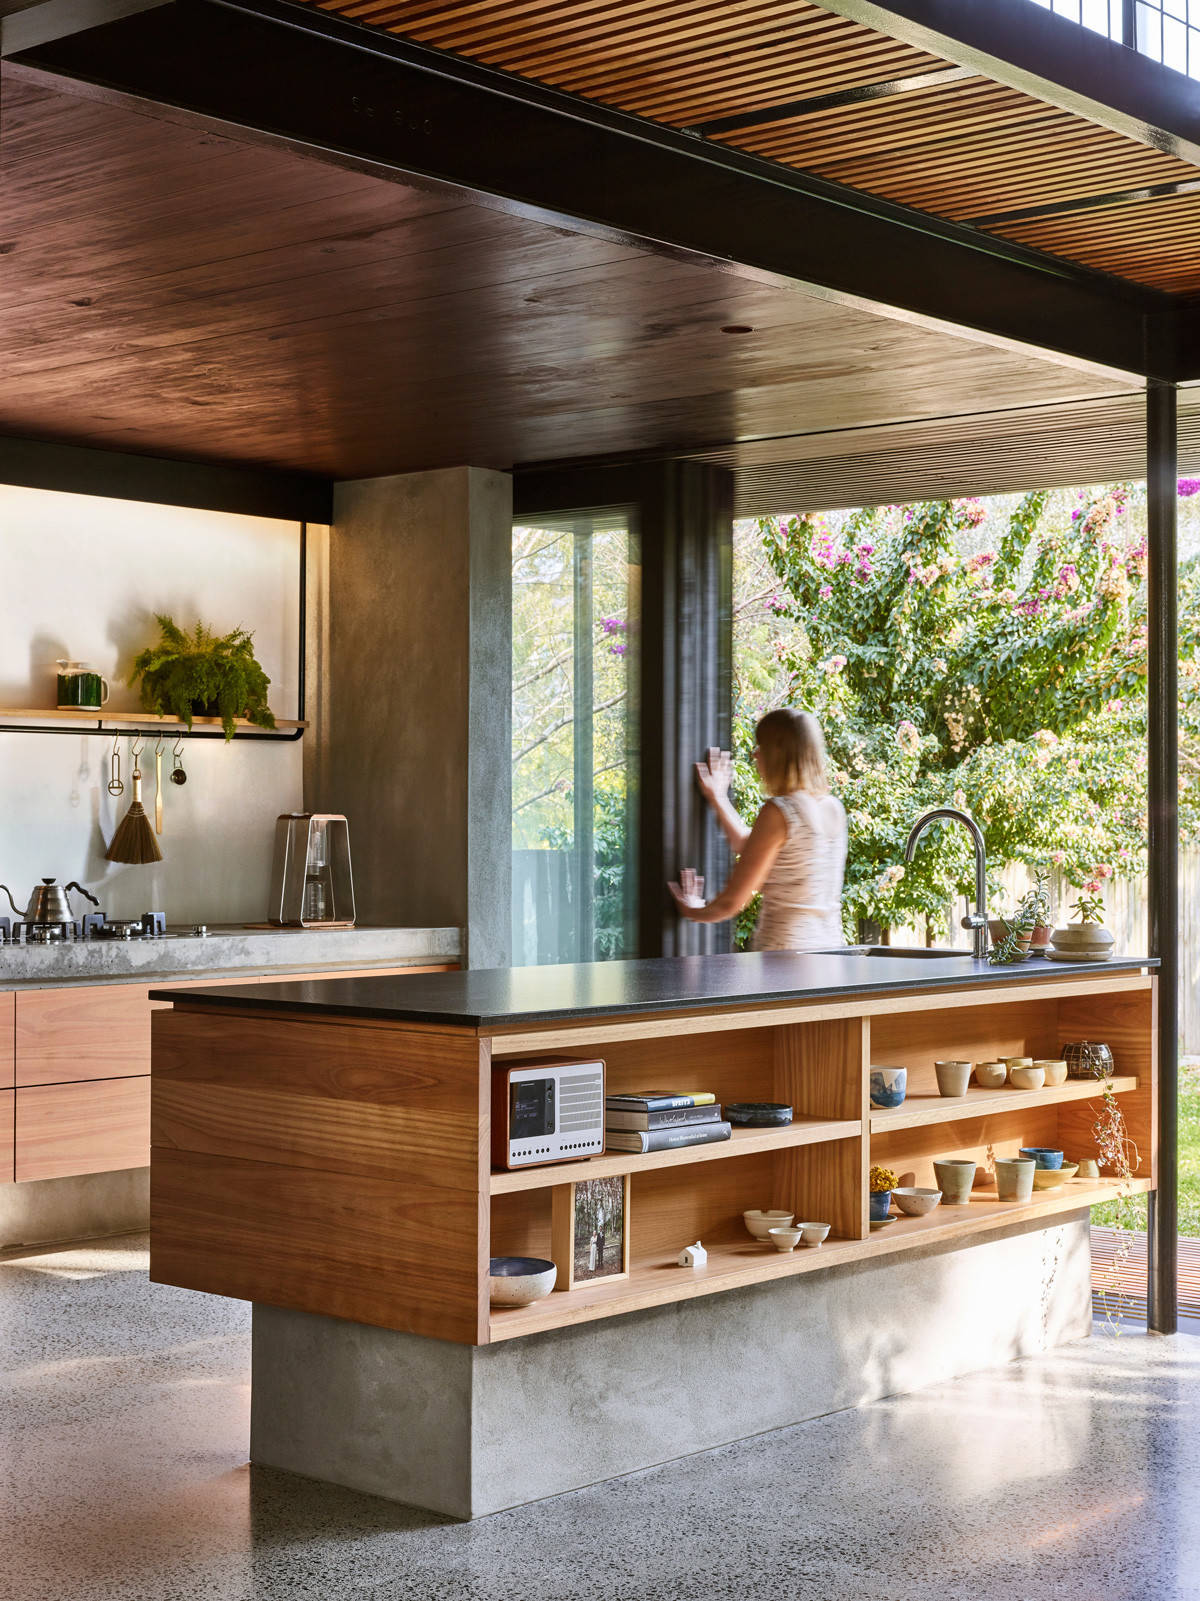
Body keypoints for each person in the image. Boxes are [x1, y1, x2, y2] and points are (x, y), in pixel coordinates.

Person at [668, 708, 847, 951]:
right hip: (831, 953)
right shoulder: (834, 808)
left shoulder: (780, 810)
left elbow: (731, 902)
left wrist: (691, 909)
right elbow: (750, 845)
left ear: (778, 753)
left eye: (761, 745)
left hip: (785, 958)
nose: (755, 754)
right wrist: (718, 797)